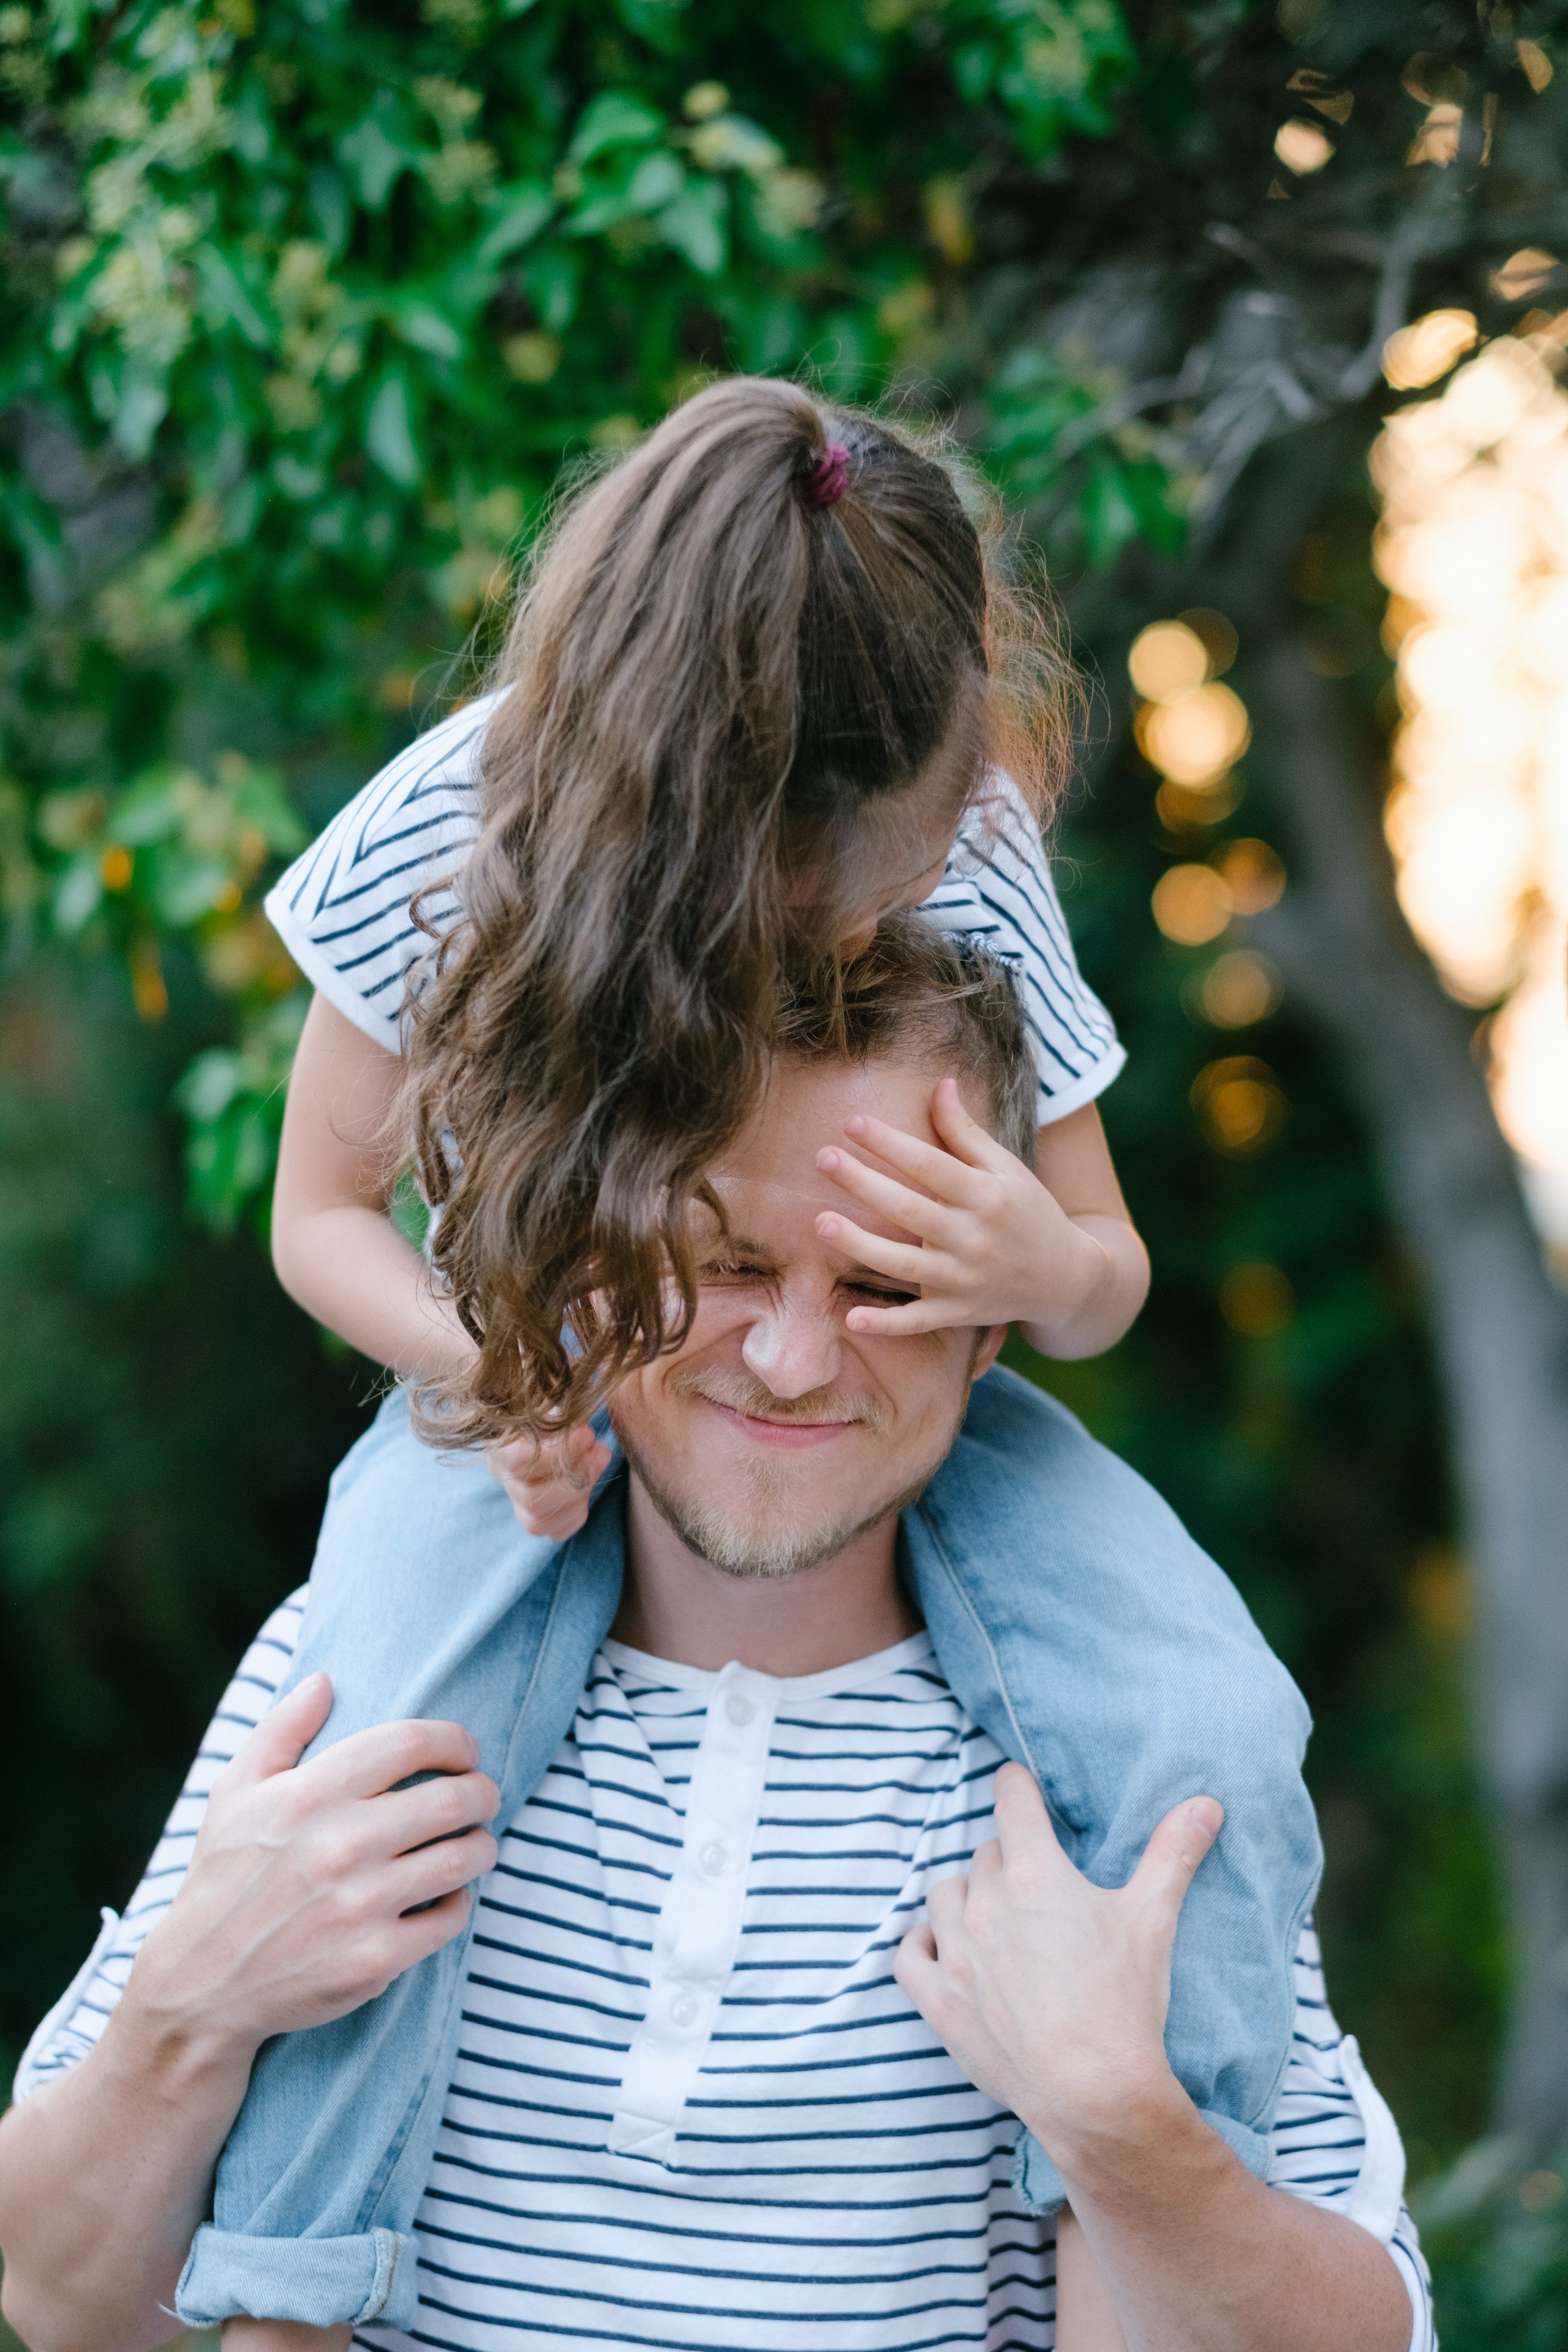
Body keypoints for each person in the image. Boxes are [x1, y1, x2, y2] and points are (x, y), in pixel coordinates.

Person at [29, 377, 1322, 2335]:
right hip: (510, 1389)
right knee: (394, 1728)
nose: (840, 924)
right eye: (805, 876)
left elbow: (1111, 1277)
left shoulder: (968, 832)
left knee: (1210, 1718)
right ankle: (296, 2276)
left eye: (879, 875)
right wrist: (495, 1374)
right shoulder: (463, 827)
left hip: (973, 1444)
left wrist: (1030, 1255)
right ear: (666, 771)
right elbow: (319, 1220)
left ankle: (1145, 2153)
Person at [0, 924, 1434, 2352]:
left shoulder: (1114, 1759)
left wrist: (1125, 2131)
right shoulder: (362, 1662)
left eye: (884, 1284)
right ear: (605, 1255)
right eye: (728, 1263)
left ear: (994, 1327)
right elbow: (56, 2306)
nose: (792, 1361)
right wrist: (185, 2014)